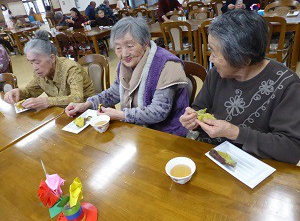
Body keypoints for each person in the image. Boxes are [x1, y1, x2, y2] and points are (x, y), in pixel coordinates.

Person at [179, 10, 300, 165]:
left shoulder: (287, 85)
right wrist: (192, 119)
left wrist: (234, 132)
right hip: (211, 156)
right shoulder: (217, 73)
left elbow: (291, 149)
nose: (211, 59)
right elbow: (199, 107)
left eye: (215, 54)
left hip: (253, 168)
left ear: (243, 60)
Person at [65, 17, 189, 137]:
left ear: (145, 43)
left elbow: (159, 111)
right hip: (138, 129)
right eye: (118, 47)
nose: (124, 54)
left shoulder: (166, 65)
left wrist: (121, 115)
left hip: (167, 133)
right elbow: (114, 93)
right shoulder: (125, 64)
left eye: (130, 46)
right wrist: (87, 104)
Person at [4, 30, 95, 110]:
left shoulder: (70, 68)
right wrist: (18, 92)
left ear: (52, 58)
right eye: (31, 63)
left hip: (87, 110)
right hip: (62, 112)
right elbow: (30, 91)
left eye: (37, 62)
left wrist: (47, 101)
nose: (35, 67)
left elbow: (77, 98)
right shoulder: (40, 73)